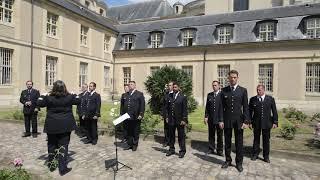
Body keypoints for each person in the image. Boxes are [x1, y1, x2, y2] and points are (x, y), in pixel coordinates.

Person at [37, 80, 80, 176]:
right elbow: (78, 100)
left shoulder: (49, 98)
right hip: (65, 125)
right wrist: (74, 94)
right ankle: (62, 168)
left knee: (51, 145)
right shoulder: (69, 97)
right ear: (64, 88)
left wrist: (43, 95)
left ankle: (52, 166)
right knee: (63, 146)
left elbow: (39, 103)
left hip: (52, 125)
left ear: (54, 88)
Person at [220, 70, 250, 172]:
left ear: (237, 78)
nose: (232, 79)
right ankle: (228, 160)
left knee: (239, 143)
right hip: (227, 120)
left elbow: (246, 107)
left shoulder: (243, 90)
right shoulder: (224, 90)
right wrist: (221, 120)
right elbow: (221, 107)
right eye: (231, 77)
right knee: (227, 142)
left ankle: (239, 163)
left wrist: (246, 121)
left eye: (234, 77)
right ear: (228, 78)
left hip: (239, 121)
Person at [249, 84, 278, 163]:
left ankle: (266, 156)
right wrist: (250, 122)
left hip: (267, 123)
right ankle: (255, 154)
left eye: (260, 90)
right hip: (256, 123)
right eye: (257, 90)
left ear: (263, 90)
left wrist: (275, 122)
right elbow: (250, 112)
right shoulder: (253, 99)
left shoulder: (270, 99)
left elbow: (274, 111)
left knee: (266, 140)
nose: (258, 91)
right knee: (256, 140)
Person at [164, 82, 188, 158]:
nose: (174, 89)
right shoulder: (169, 96)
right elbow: (167, 108)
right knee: (171, 135)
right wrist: (167, 117)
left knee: (181, 136)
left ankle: (182, 151)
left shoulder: (183, 97)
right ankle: (171, 149)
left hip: (180, 120)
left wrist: (184, 119)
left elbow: (185, 109)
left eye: (175, 87)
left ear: (179, 88)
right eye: (173, 87)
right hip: (171, 119)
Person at [123, 81, 145, 151]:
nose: (130, 86)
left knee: (135, 131)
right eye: (129, 85)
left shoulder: (139, 94)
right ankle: (129, 144)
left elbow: (142, 105)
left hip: (136, 116)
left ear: (135, 85)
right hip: (127, 116)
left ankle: (135, 145)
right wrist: (122, 114)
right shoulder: (126, 94)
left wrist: (141, 114)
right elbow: (123, 106)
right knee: (129, 131)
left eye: (131, 84)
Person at [204, 80, 223, 156]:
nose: (214, 87)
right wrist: (206, 116)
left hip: (219, 119)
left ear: (219, 86)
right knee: (211, 135)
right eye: (213, 85)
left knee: (220, 136)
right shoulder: (209, 95)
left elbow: (223, 108)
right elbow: (207, 107)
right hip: (211, 119)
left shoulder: (222, 95)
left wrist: (222, 120)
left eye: (215, 85)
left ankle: (220, 150)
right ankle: (211, 149)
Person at [162, 81, 174, 147]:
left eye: (170, 85)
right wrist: (164, 115)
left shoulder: (174, 94)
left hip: (172, 115)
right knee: (166, 128)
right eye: (168, 85)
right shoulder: (166, 94)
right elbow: (164, 105)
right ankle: (166, 141)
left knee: (171, 129)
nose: (169, 87)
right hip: (166, 114)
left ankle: (171, 141)